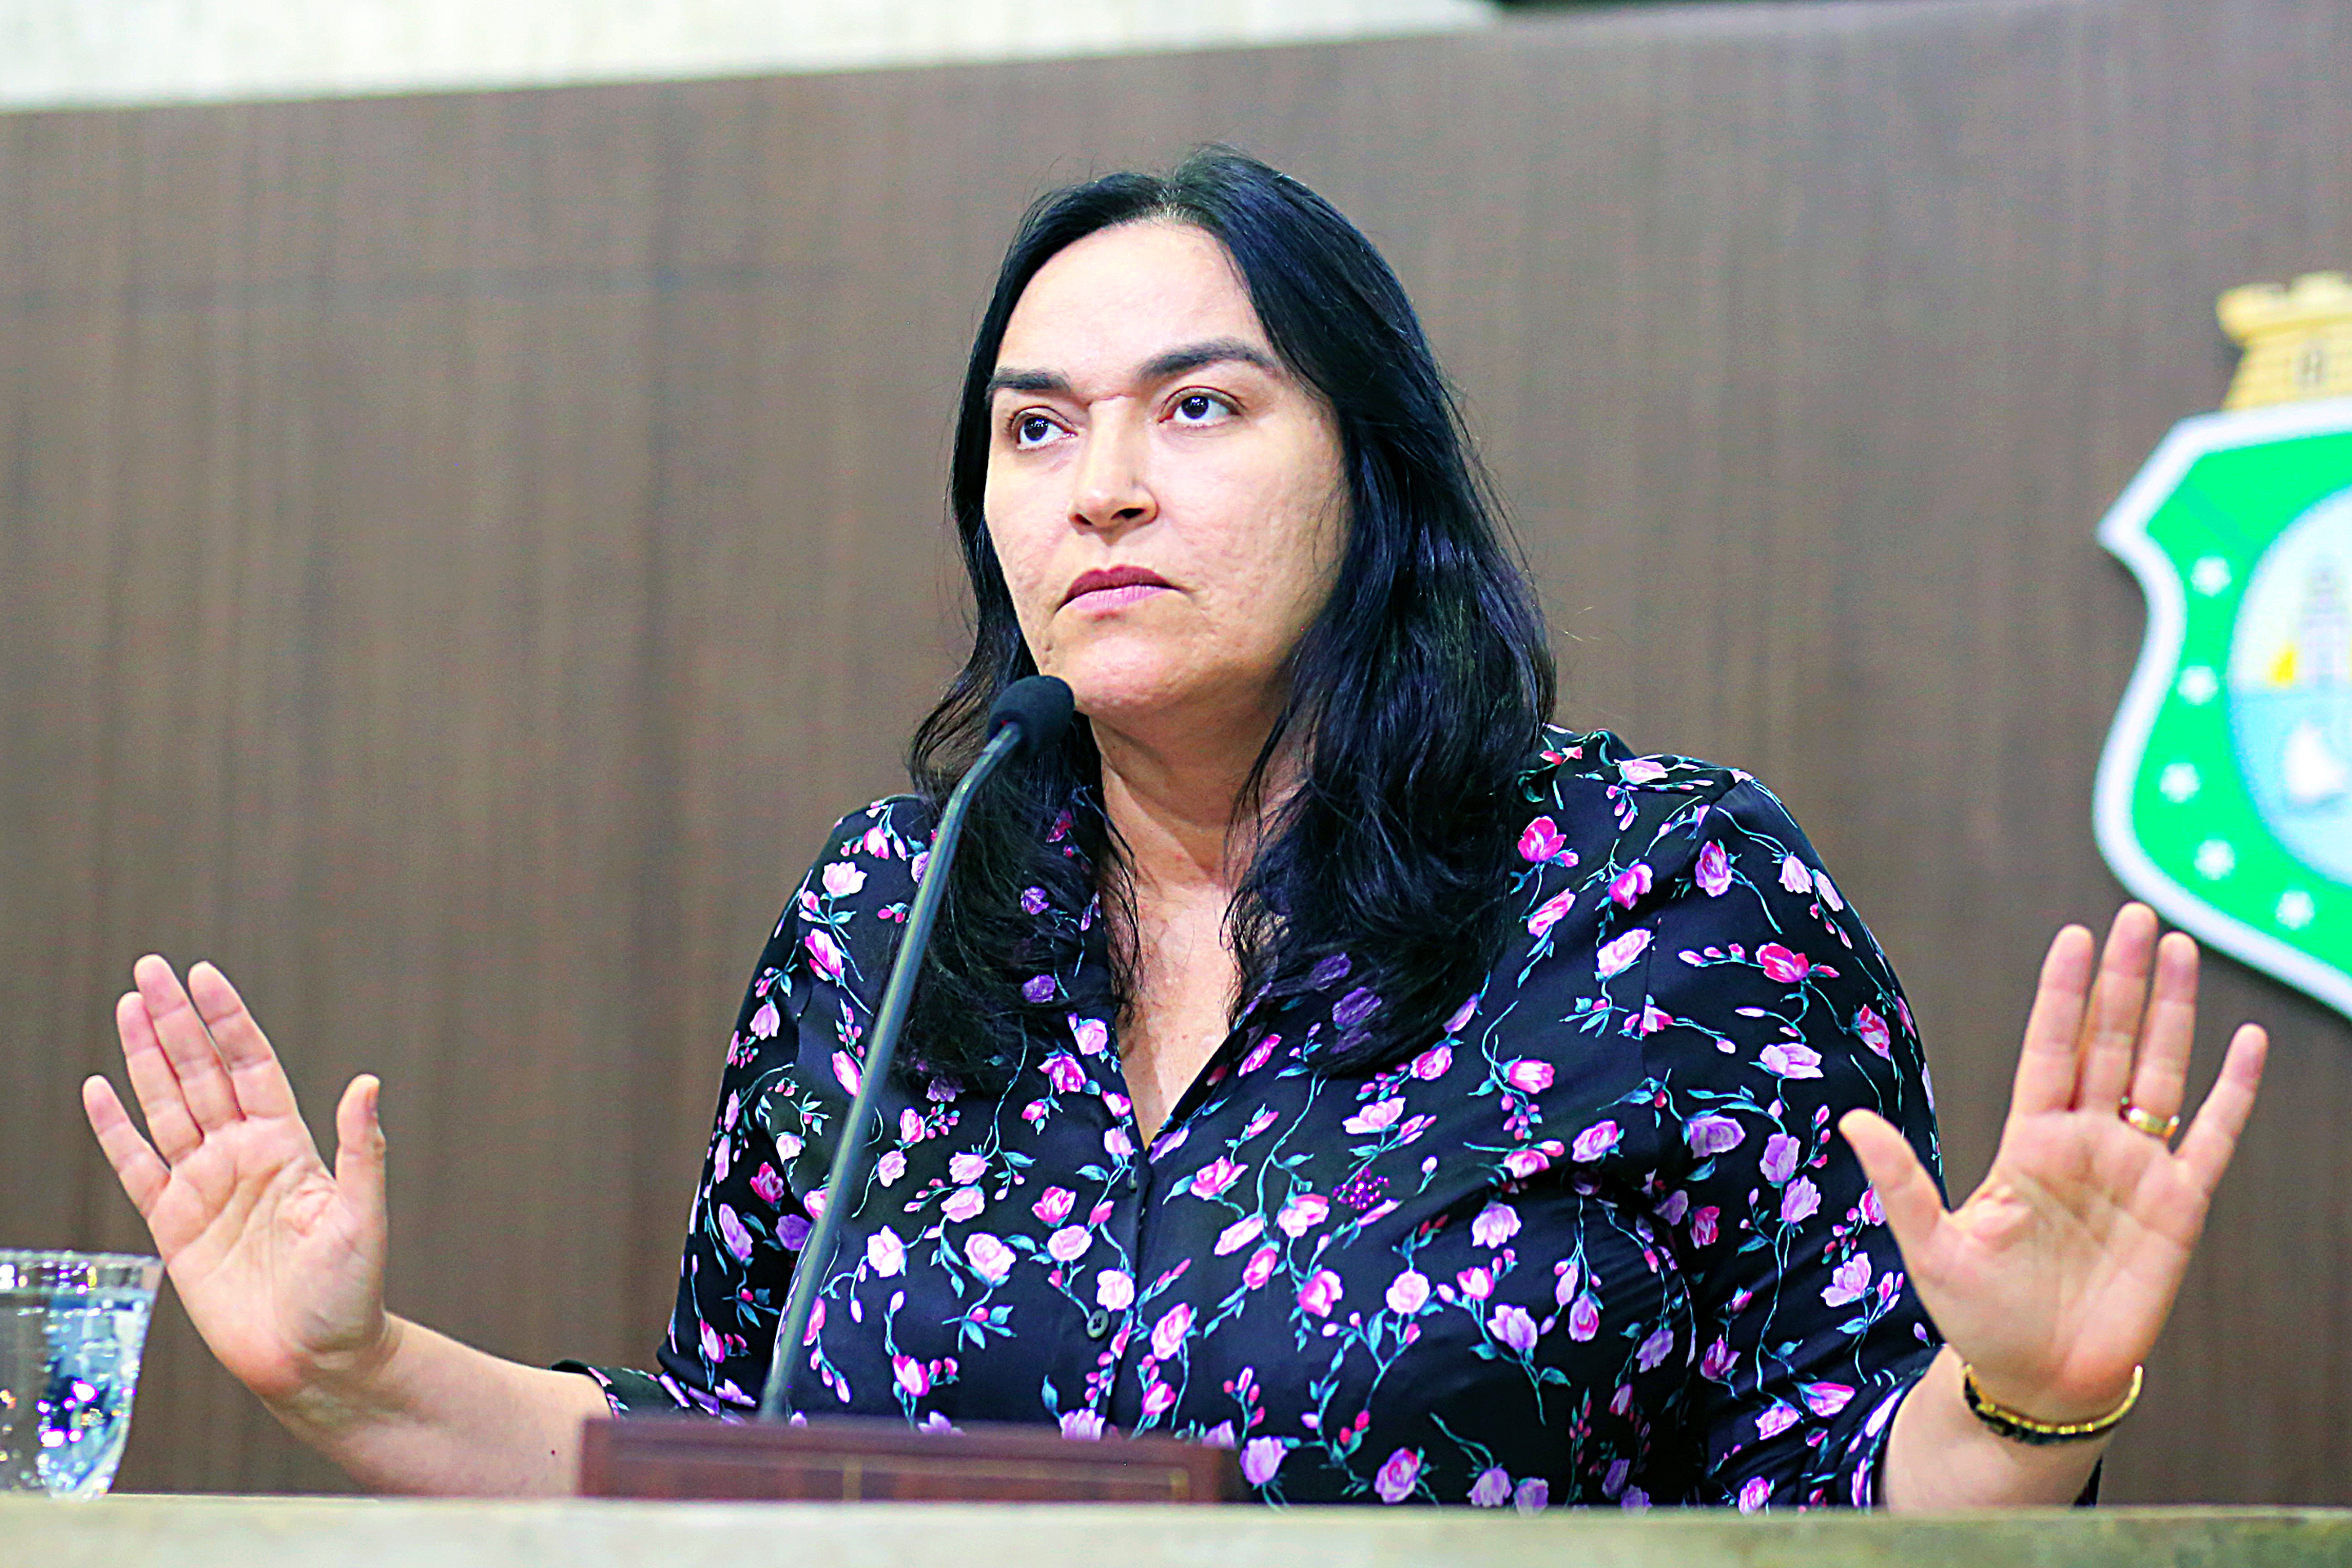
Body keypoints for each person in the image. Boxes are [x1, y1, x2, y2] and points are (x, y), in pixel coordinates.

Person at [82, 150, 2267, 1508]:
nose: (1101, 486)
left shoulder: (1669, 899)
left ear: (1375, 473)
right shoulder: (888, 913)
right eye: (1035, 431)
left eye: (1198, 407)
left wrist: (2028, 1398)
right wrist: (354, 1375)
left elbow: (1843, 1508)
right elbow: (740, 1480)